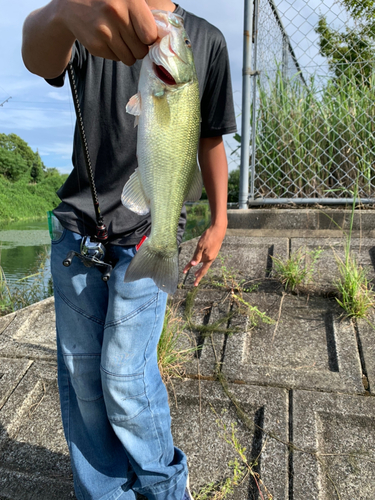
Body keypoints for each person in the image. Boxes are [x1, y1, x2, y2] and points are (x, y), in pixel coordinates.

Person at [22, 1, 237, 499]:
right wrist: (62, 13)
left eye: (176, 36)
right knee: (83, 380)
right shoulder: (92, 12)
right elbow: (38, 57)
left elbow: (209, 139)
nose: (172, 33)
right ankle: (102, 492)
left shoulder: (207, 41)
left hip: (150, 233)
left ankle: (164, 488)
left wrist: (220, 219)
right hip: (78, 232)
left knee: (124, 376)